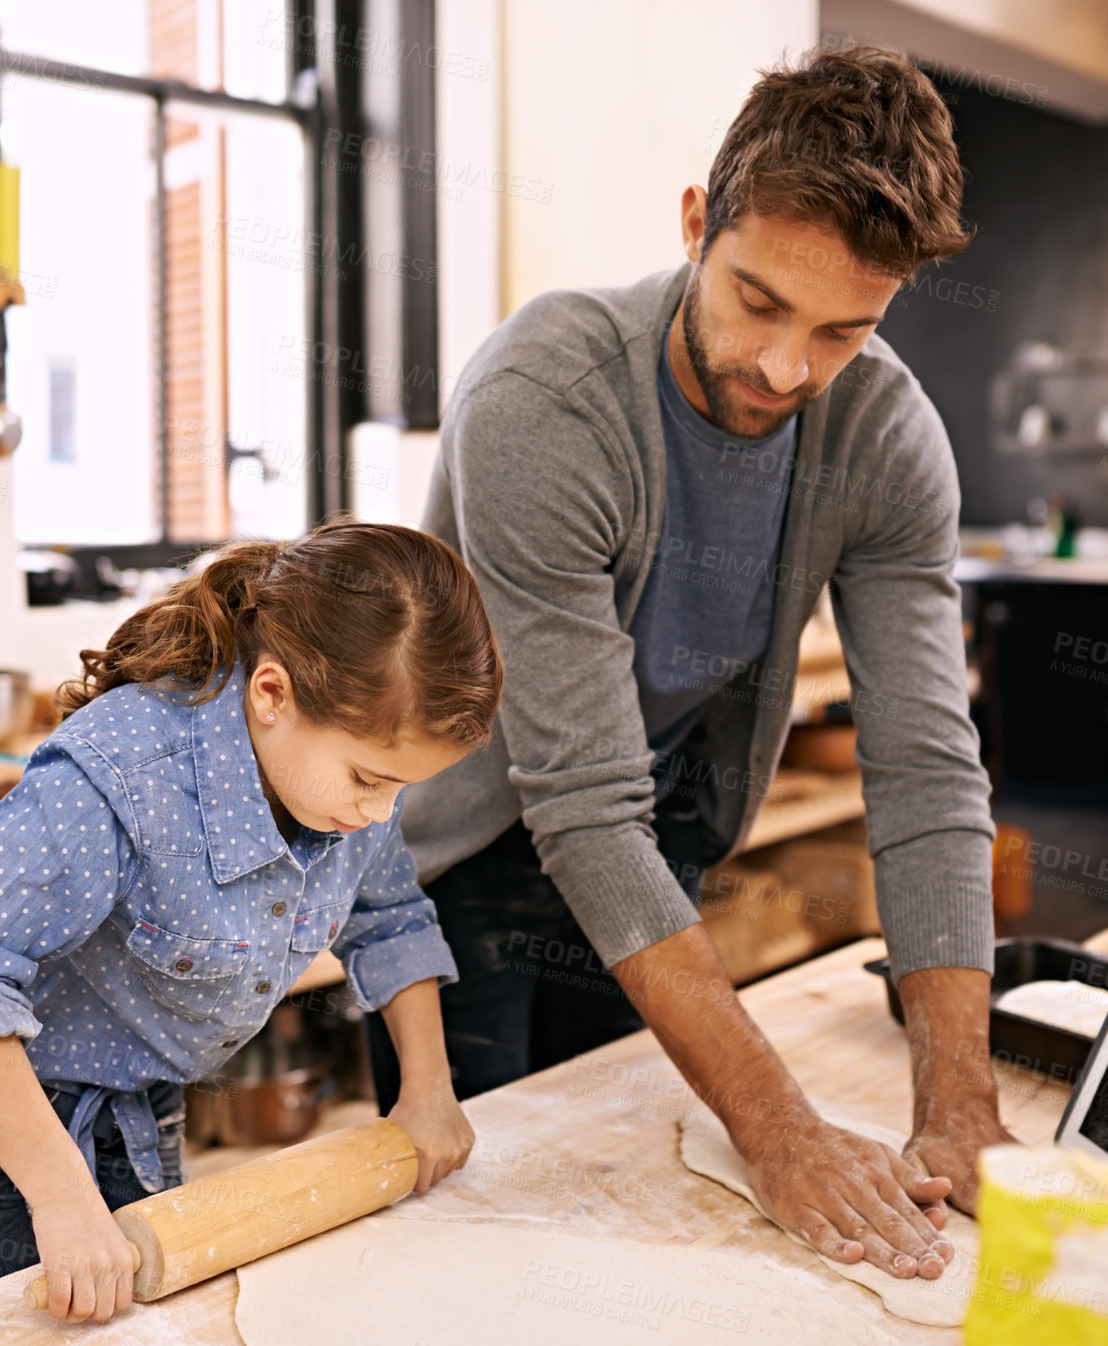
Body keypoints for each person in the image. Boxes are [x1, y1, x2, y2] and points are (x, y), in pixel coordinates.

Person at [373, 43, 1014, 1284]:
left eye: (843, 331)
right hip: (464, 852)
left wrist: (961, 1100)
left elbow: (929, 771)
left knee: (630, 1205)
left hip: (653, 836)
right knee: (474, 1238)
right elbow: (576, 799)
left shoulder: (887, 435)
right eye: (759, 301)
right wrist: (779, 1129)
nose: (786, 369)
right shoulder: (544, 397)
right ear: (693, 225)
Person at [0, 519, 503, 1324]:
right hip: (17, 1101)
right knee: (73, 1313)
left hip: (147, 1083)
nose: (381, 812)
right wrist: (65, 1203)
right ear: (272, 694)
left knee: (157, 1295)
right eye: (366, 780)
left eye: (401, 789)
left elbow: (390, 917)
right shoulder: (120, 774)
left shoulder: (351, 781)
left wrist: (428, 1092)